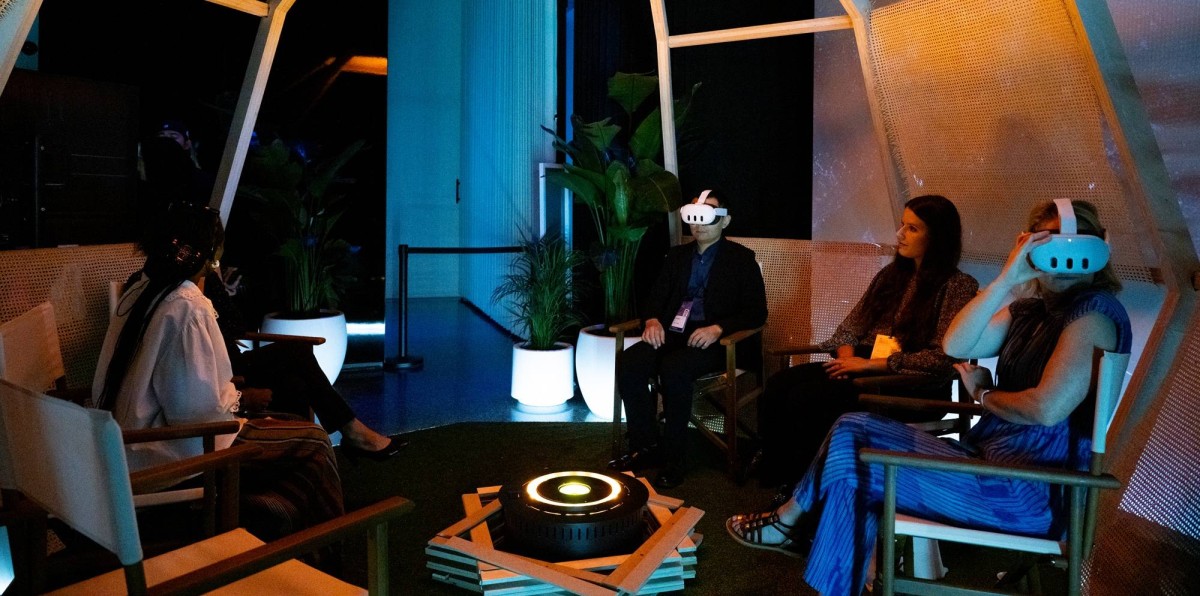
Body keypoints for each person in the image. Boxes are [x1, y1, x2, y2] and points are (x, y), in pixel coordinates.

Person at [724, 199, 1131, 595]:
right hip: (987, 463)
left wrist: (984, 395)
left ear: (1097, 248)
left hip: (1031, 491)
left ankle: (798, 531)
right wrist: (1006, 281)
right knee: (851, 427)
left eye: (1073, 241)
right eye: (1047, 241)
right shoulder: (1032, 310)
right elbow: (958, 345)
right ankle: (801, 532)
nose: (1062, 255)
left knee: (858, 464)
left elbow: (1045, 409)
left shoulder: (1093, 314)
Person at [94, 203, 346, 539]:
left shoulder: (140, 290)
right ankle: (327, 549)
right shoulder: (186, 306)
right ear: (204, 256)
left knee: (290, 421)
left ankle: (283, 532)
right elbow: (198, 413)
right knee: (314, 442)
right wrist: (241, 399)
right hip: (173, 456)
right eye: (215, 257)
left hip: (129, 447)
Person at [754, 194, 978, 491]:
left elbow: (941, 360)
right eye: (902, 225)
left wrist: (867, 366)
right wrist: (847, 360)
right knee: (780, 384)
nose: (900, 234)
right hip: (861, 364)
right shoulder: (891, 275)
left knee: (807, 398)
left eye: (912, 229)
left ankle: (806, 485)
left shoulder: (958, 286)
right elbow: (849, 328)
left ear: (937, 237)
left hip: (908, 380)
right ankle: (777, 473)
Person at [608, 189, 768, 489]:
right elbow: (656, 296)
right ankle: (645, 445)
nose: (699, 223)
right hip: (675, 334)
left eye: (708, 215)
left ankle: (674, 459)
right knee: (631, 361)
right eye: (694, 215)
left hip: (718, 343)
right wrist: (652, 320)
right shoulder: (677, 256)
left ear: (725, 221)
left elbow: (757, 312)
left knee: (674, 368)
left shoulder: (741, 259)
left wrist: (718, 328)